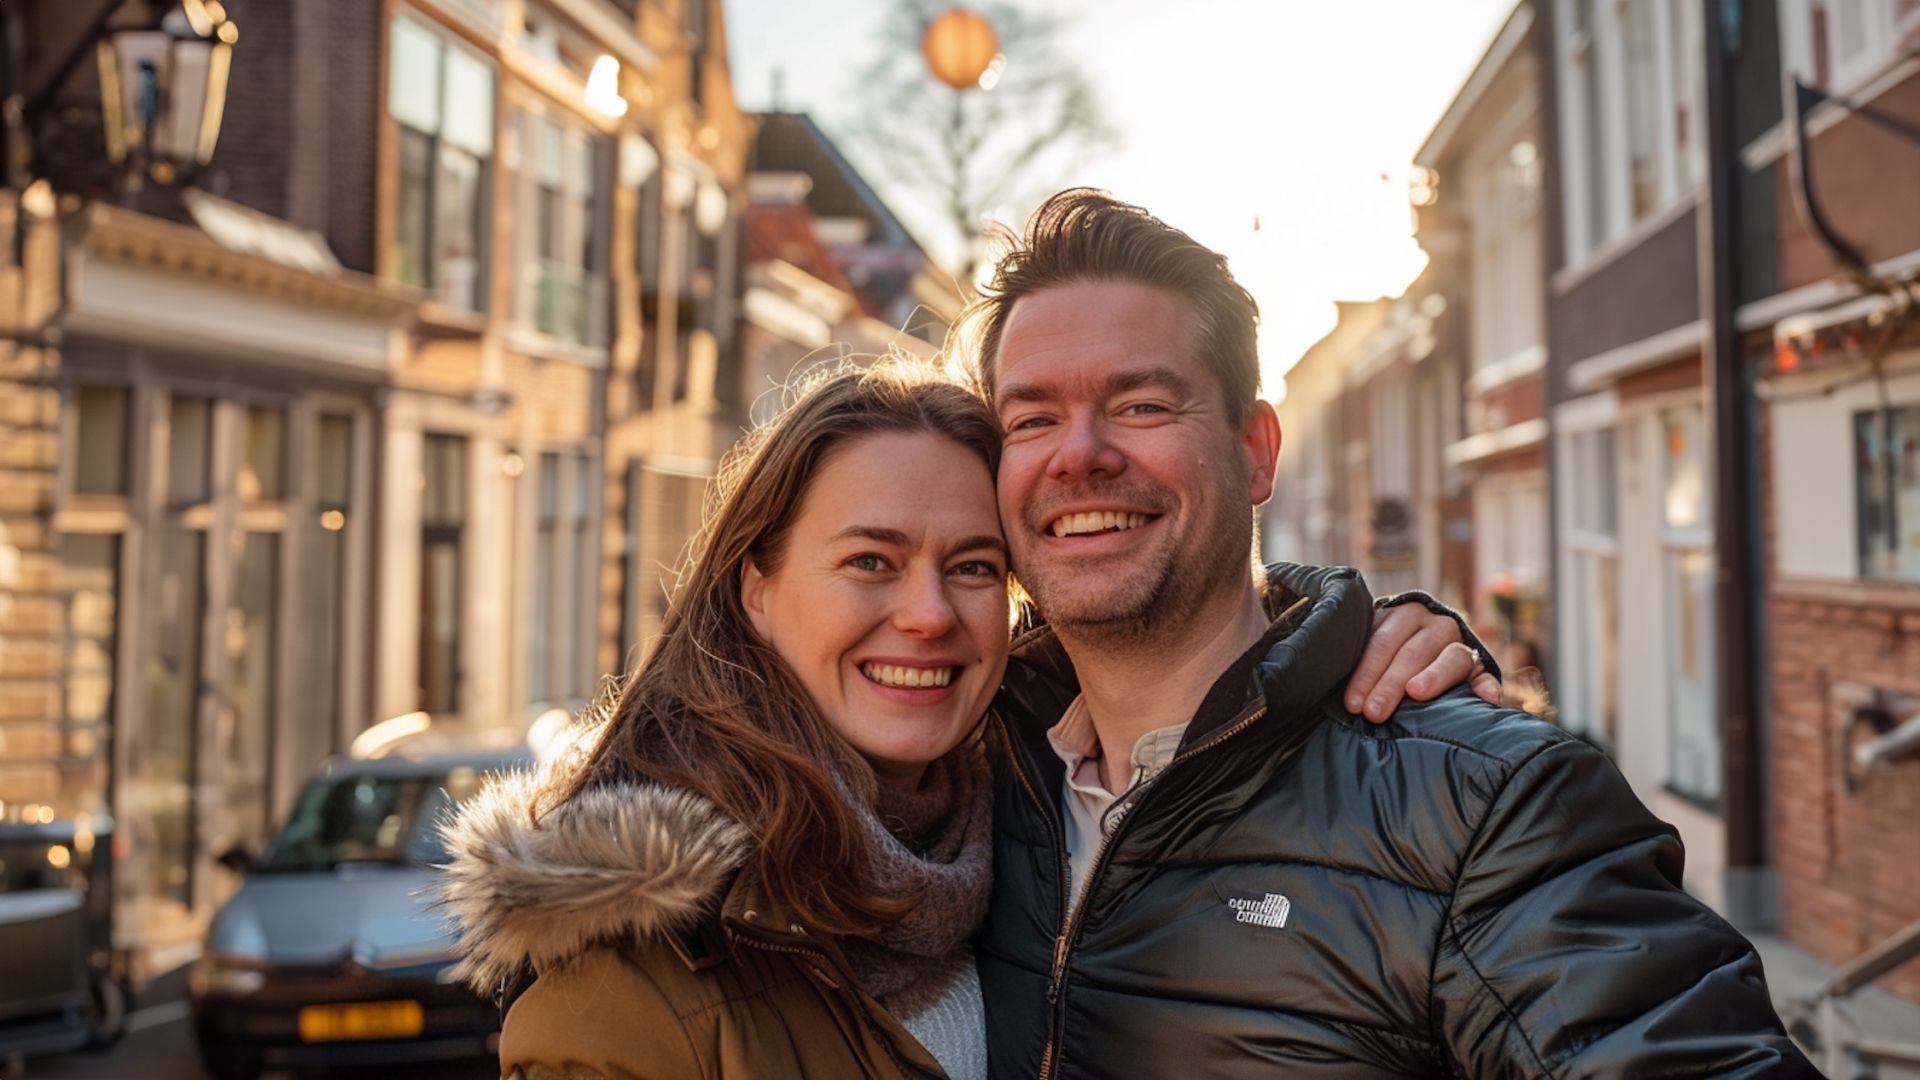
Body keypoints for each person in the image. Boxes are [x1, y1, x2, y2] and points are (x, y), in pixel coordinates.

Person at [964, 189, 1818, 1080]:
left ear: (1256, 450)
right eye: (1032, 419)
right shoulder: (962, 779)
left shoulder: (1484, 811)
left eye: (1140, 405)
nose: (1080, 454)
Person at [438, 361, 1487, 1080]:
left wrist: (1358, 640)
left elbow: (1187, 649)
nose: (930, 615)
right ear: (755, 587)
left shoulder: (1040, 826)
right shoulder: (624, 990)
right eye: (869, 562)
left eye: (974, 568)